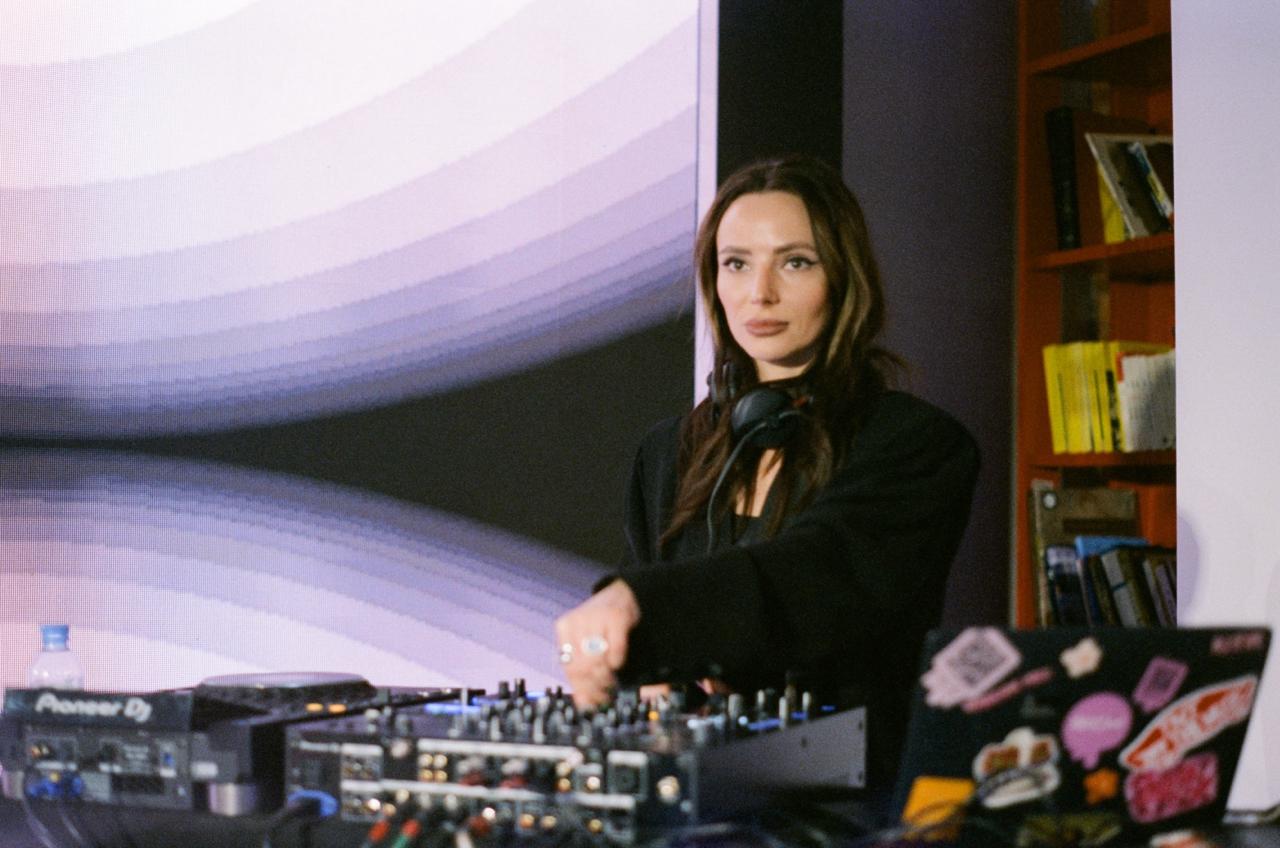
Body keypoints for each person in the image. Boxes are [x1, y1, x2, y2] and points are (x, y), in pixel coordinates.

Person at [554, 154, 979, 787]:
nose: (760, 293)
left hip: (847, 800)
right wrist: (636, 671)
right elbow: (644, 671)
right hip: (692, 801)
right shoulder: (667, 453)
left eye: (795, 262)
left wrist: (644, 604)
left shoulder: (918, 445)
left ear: (844, 278)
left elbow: (821, 571)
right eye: (736, 263)